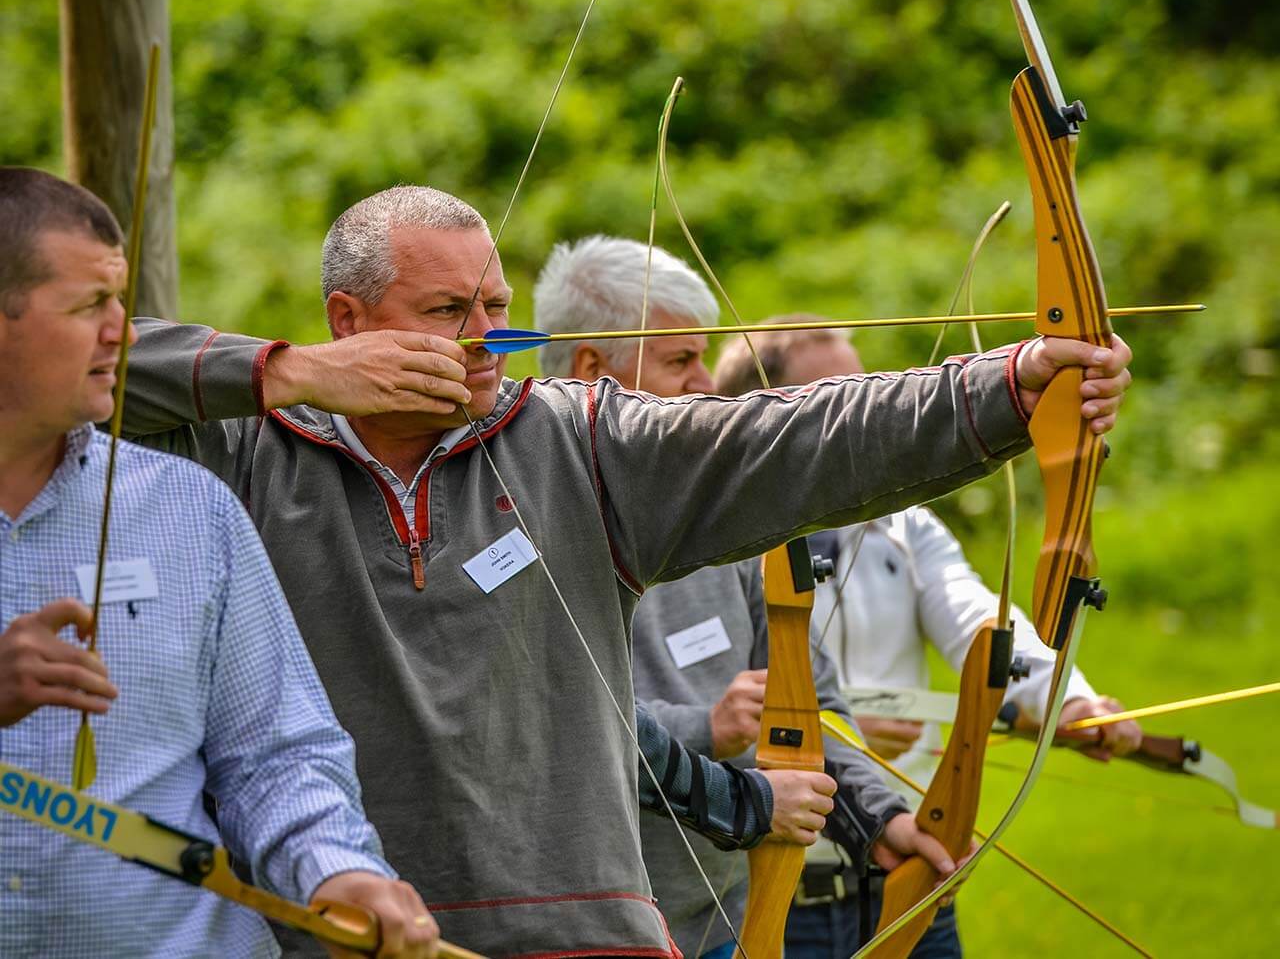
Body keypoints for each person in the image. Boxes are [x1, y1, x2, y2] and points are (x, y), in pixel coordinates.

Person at [120, 184, 1131, 957]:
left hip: (587, 934)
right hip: (346, 929)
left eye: (496, 303)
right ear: (347, 320)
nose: (487, 339)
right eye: (446, 312)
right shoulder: (251, 452)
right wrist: (288, 376)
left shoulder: (575, 439)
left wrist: (1006, 387)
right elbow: (69, 356)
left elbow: (785, 436)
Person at [0, 167, 438, 958]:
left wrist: (337, 874)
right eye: (87, 306)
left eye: (120, 301)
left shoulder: (188, 508)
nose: (121, 334)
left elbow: (275, 758)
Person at [533, 236, 968, 958]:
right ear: (592, 370)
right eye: (680, 361)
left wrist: (884, 822)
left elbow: (809, 701)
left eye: (705, 357)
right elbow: (561, 720)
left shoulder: (723, 523)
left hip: (725, 916)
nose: (707, 383)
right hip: (592, 923)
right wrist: (707, 725)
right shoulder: (528, 522)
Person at [714, 318, 1144, 959]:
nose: (859, 413)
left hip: (908, 872)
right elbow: (694, 712)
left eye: (864, 391)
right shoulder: (713, 540)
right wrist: (849, 730)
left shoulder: (902, 526)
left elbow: (979, 622)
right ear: (761, 415)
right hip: (766, 892)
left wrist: (1068, 701)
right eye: (831, 399)